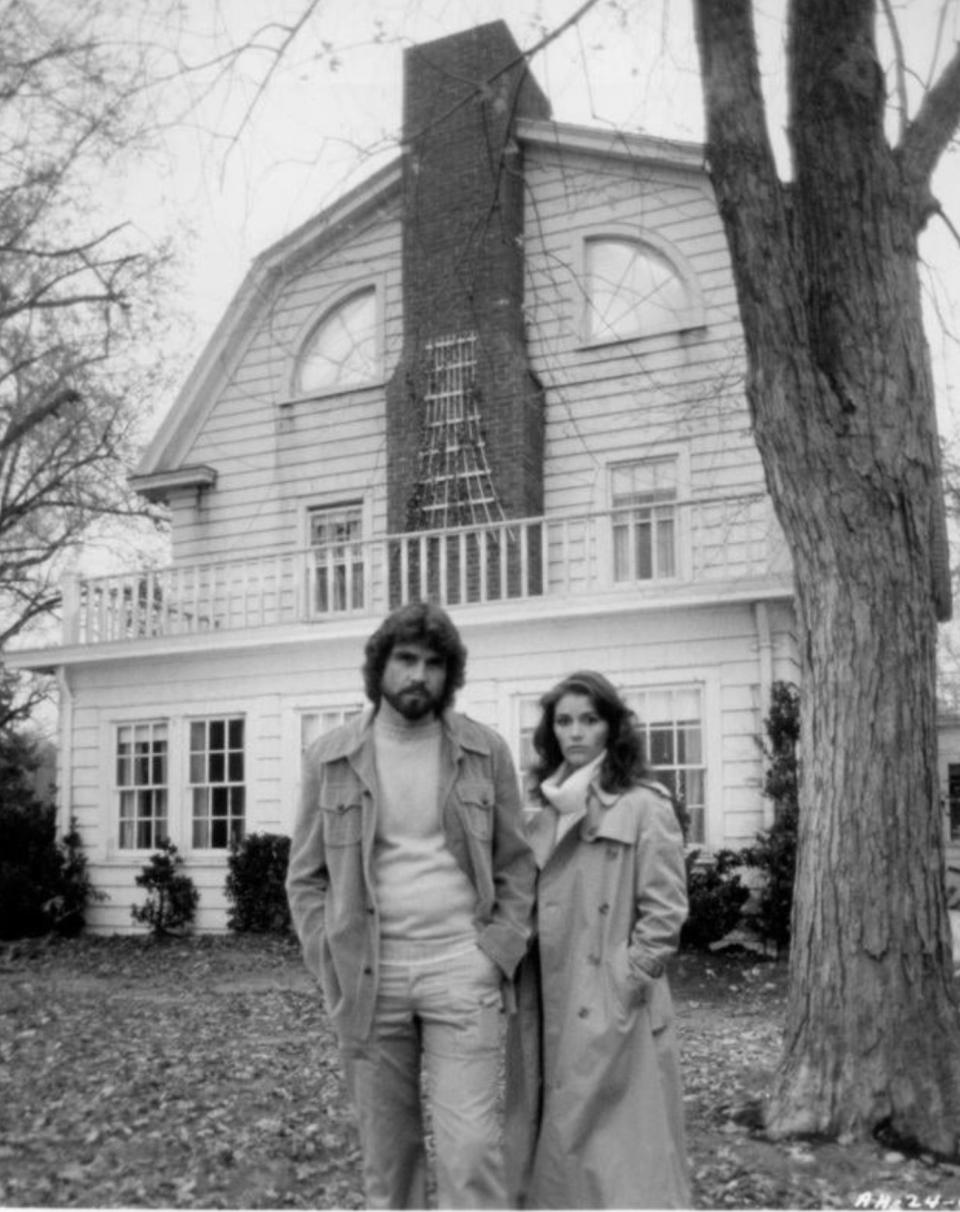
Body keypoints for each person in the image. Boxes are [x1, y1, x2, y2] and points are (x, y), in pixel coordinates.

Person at [286, 602, 536, 1210]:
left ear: (450, 675)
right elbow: (306, 877)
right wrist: (331, 958)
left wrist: (495, 952)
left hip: (462, 968)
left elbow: (516, 864)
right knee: (389, 1159)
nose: (419, 675)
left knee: (471, 1151)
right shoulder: (330, 757)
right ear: (380, 668)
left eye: (432, 663)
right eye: (406, 660)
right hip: (371, 977)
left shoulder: (485, 752)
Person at [505, 670, 691, 1209]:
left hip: (612, 1001)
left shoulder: (643, 804)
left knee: (622, 1156)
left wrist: (628, 980)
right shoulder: (546, 808)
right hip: (550, 996)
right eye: (564, 721)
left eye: (589, 719)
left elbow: (665, 909)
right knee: (561, 1141)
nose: (576, 732)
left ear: (612, 727)